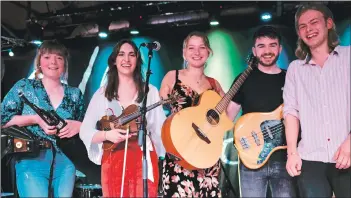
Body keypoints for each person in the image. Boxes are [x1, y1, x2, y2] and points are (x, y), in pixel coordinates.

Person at [79, 39, 166, 197]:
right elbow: (85, 130)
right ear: (114, 61)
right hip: (113, 157)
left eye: (132, 55)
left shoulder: (149, 91)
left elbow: (159, 129)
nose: (126, 59)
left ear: (138, 61)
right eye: (121, 54)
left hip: (142, 156)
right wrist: (107, 135)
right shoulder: (102, 94)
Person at [1, 40, 85, 197]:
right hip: (31, 159)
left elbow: (87, 128)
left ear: (65, 63)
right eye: (47, 57)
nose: (53, 62)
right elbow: (2, 119)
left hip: (65, 162)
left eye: (59, 57)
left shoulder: (75, 94)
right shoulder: (25, 86)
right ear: (39, 62)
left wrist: (79, 125)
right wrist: (35, 119)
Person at [284, 3, 350, 197]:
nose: (309, 29)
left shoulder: (349, 57)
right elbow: (291, 112)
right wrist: (292, 153)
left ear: (329, 23)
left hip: (347, 154)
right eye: (302, 26)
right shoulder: (295, 69)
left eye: (314, 22)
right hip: (310, 159)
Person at [227, 26, 297, 197]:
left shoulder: (291, 78)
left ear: (280, 48)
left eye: (272, 45)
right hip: (251, 161)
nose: (267, 51)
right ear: (254, 50)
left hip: (285, 160)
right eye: (261, 46)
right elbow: (227, 117)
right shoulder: (243, 79)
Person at [160, 31, 228, 197]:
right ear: (184, 53)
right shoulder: (172, 77)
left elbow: (225, 117)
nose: (196, 53)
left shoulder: (214, 84)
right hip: (180, 153)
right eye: (191, 48)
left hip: (206, 157)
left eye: (202, 48)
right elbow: (161, 103)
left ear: (209, 52)